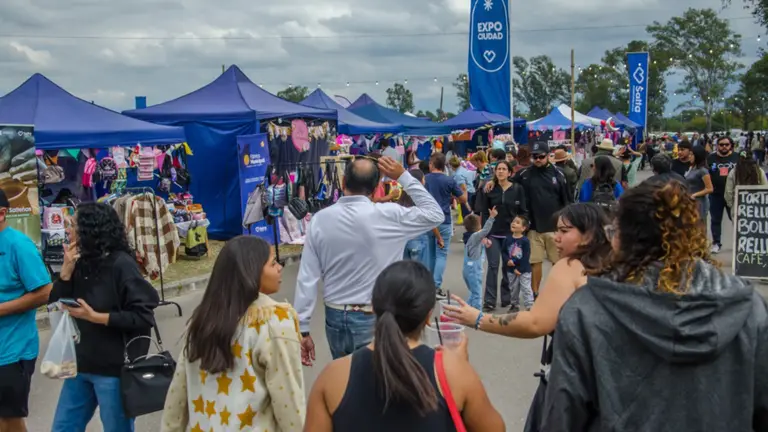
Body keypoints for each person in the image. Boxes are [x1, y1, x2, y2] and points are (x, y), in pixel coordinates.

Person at [540, 179, 768, 431]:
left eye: (613, 232)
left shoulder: (587, 310)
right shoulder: (747, 306)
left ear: (623, 239)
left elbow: (563, 414)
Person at [304, 261, 505, 432]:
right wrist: (458, 365)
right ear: (428, 316)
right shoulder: (453, 372)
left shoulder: (333, 376)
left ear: (373, 307)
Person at [294, 156, 443, 364]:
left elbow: (307, 276)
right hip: (373, 315)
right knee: (376, 378)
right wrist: (403, 176)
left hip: (335, 315)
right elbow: (435, 215)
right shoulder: (390, 215)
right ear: (375, 188)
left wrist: (303, 327)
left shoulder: (320, 219)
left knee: (343, 377)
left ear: (343, 182)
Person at [162, 236, 304, 432]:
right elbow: (289, 403)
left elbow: (176, 403)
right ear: (251, 272)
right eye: (273, 263)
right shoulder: (274, 321)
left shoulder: (201, 322)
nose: (280, 268)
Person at [49, 203, 159, 431]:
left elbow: (143, 316)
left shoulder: (121, 265)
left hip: (114, 370)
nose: (68, 230)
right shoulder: (80, 262)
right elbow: (55, 306)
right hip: (81, 365)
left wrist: (96, 317)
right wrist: (65, 274)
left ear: (90, 229)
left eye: (73, 225)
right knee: (63, 427)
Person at [0, 190, 52, 432]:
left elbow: (45, 292)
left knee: (8, 418)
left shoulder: (19, 245)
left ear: (2, 213)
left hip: (13, 350)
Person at [512, 142, 572, 296]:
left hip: (555, 227)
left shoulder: (559, 174)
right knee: (535, 262)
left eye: (541, 156)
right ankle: (535, 294)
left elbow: (567, 200)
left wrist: (567, 225)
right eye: (535, 156)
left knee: (558, 262)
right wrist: (492, 181)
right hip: (533, 226)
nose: (538, 159)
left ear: (548, 156)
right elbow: (507, 185)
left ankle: (557, 292)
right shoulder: (524, 174)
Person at [475, 161, 527, 312]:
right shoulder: (489, 189)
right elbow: (484, 213)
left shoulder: (517, 189)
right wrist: (483, 234)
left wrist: (522, 229)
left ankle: (507, 297)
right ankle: (489, 300)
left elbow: (523, 211)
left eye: (504, 169)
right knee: (493, 265)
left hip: (511, 234)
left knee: (508, 266)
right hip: (493, 233)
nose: (501, 171)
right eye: (498, 169)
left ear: (509, 173)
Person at [424, 153, 468, 297]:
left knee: (431, 254)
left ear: (432, 164)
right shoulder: (449, 180)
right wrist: (463, 190)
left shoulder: (425, 179)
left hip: (428, 220)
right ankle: (436, 285)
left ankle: (429, 285)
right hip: (444, 219)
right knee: (441, 255)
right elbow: (462, 199)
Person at [399, 169, 443, 265]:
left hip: (403, 239)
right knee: (419, 271)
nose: (425, 181)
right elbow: (430, 220)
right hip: (419, 238)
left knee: (405, 271)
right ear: (419, 181)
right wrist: (439, 237)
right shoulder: (422, 200)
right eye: (423, 178)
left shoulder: (401, 198)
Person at [708, 136, 740, 254]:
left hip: (733, 194)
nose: (724, 147)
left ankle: (740, 243)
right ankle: (716, 243)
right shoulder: (711, 158)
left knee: (736, 219)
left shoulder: (737, 157)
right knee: (715, 220)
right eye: (721, 144)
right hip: (716, 194)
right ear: (717, 146)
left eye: (726, 144)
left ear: (731, 145)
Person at [462, 209, 497, 310]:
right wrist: (491, 218)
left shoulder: (470, 237)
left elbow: (480, 241)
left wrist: (485, 242)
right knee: (477, 294)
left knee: (473, 293)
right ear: (478, 226)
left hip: (468, 269)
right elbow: (485, 231)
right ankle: (477, 314)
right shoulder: (475, 236)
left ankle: (465, 310)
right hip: (474, 270)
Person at [504, 215, 533, 312]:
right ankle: (514, 305)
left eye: (517, 222)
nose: (513, 223)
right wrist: (507, 260)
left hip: (524, 270)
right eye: (513, 221)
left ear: (523, 228)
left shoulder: (525, 241)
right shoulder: (507, 239)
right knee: (513, 288)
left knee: (526, 288)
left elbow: (526, 256)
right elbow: (504, 252)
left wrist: (519, 269)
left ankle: (529, 306)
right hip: (511, 269)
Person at [686, 145, 714, 223]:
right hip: (690, 202)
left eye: (691, 154)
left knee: (699, 226)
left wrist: (695, 195)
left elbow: (710, 189)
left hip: (699, 203)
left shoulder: (703, 171)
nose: (689, 156)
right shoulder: (692, 168)